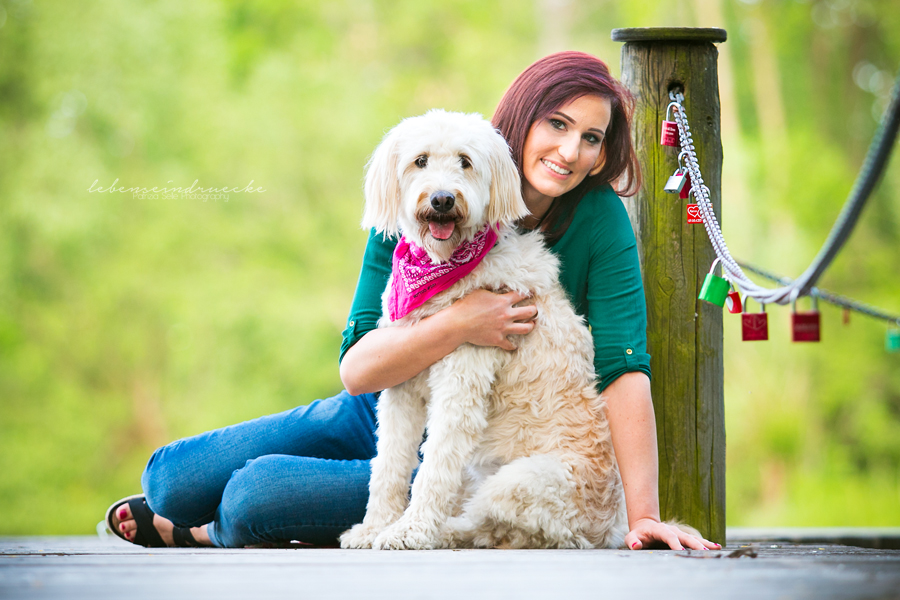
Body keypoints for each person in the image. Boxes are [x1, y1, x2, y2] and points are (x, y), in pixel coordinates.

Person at [107, 51, 719, 552]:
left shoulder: (597, 219)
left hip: (480, 438)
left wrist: (643, 516)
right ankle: (191, 512)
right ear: (524, 118)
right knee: (170, 477)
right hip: (385, 392)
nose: (570, 151)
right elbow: (358, 369)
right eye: (556, 125)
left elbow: (621, 366)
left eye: (592, 138)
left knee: (251, 499)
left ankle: (204, 531)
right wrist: (459, 322)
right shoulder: (421, 188)